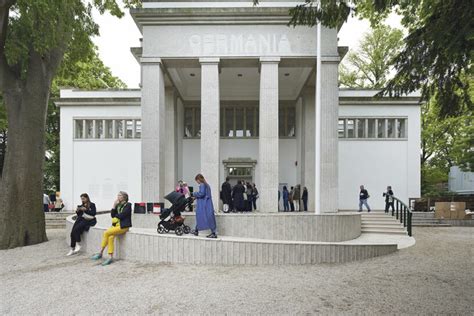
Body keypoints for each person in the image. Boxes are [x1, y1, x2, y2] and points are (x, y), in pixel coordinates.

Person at [91, 191, 132, 265]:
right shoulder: (118, 205)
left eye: (120, 195)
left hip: (124, 226)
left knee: (106, 232)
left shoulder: (128, 205)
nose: (118, 197)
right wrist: (114, 206)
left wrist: (116, 216)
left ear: (124, 197)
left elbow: (123, 214)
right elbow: (112, 215)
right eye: (118, 195)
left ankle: (100, 252)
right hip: (116, 226)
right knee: (110, 238)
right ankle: (110, 257)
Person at [192, 174, 217, 238]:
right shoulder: (207, 185)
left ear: (198, 179)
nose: (197, 182)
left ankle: (213, 233)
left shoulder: (202, 185)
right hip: (208, 203)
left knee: (202, 216)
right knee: (207, 217)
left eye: (197, 180)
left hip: (204, 204)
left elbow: (201, 194)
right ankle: (196, 230)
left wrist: (194, 193)